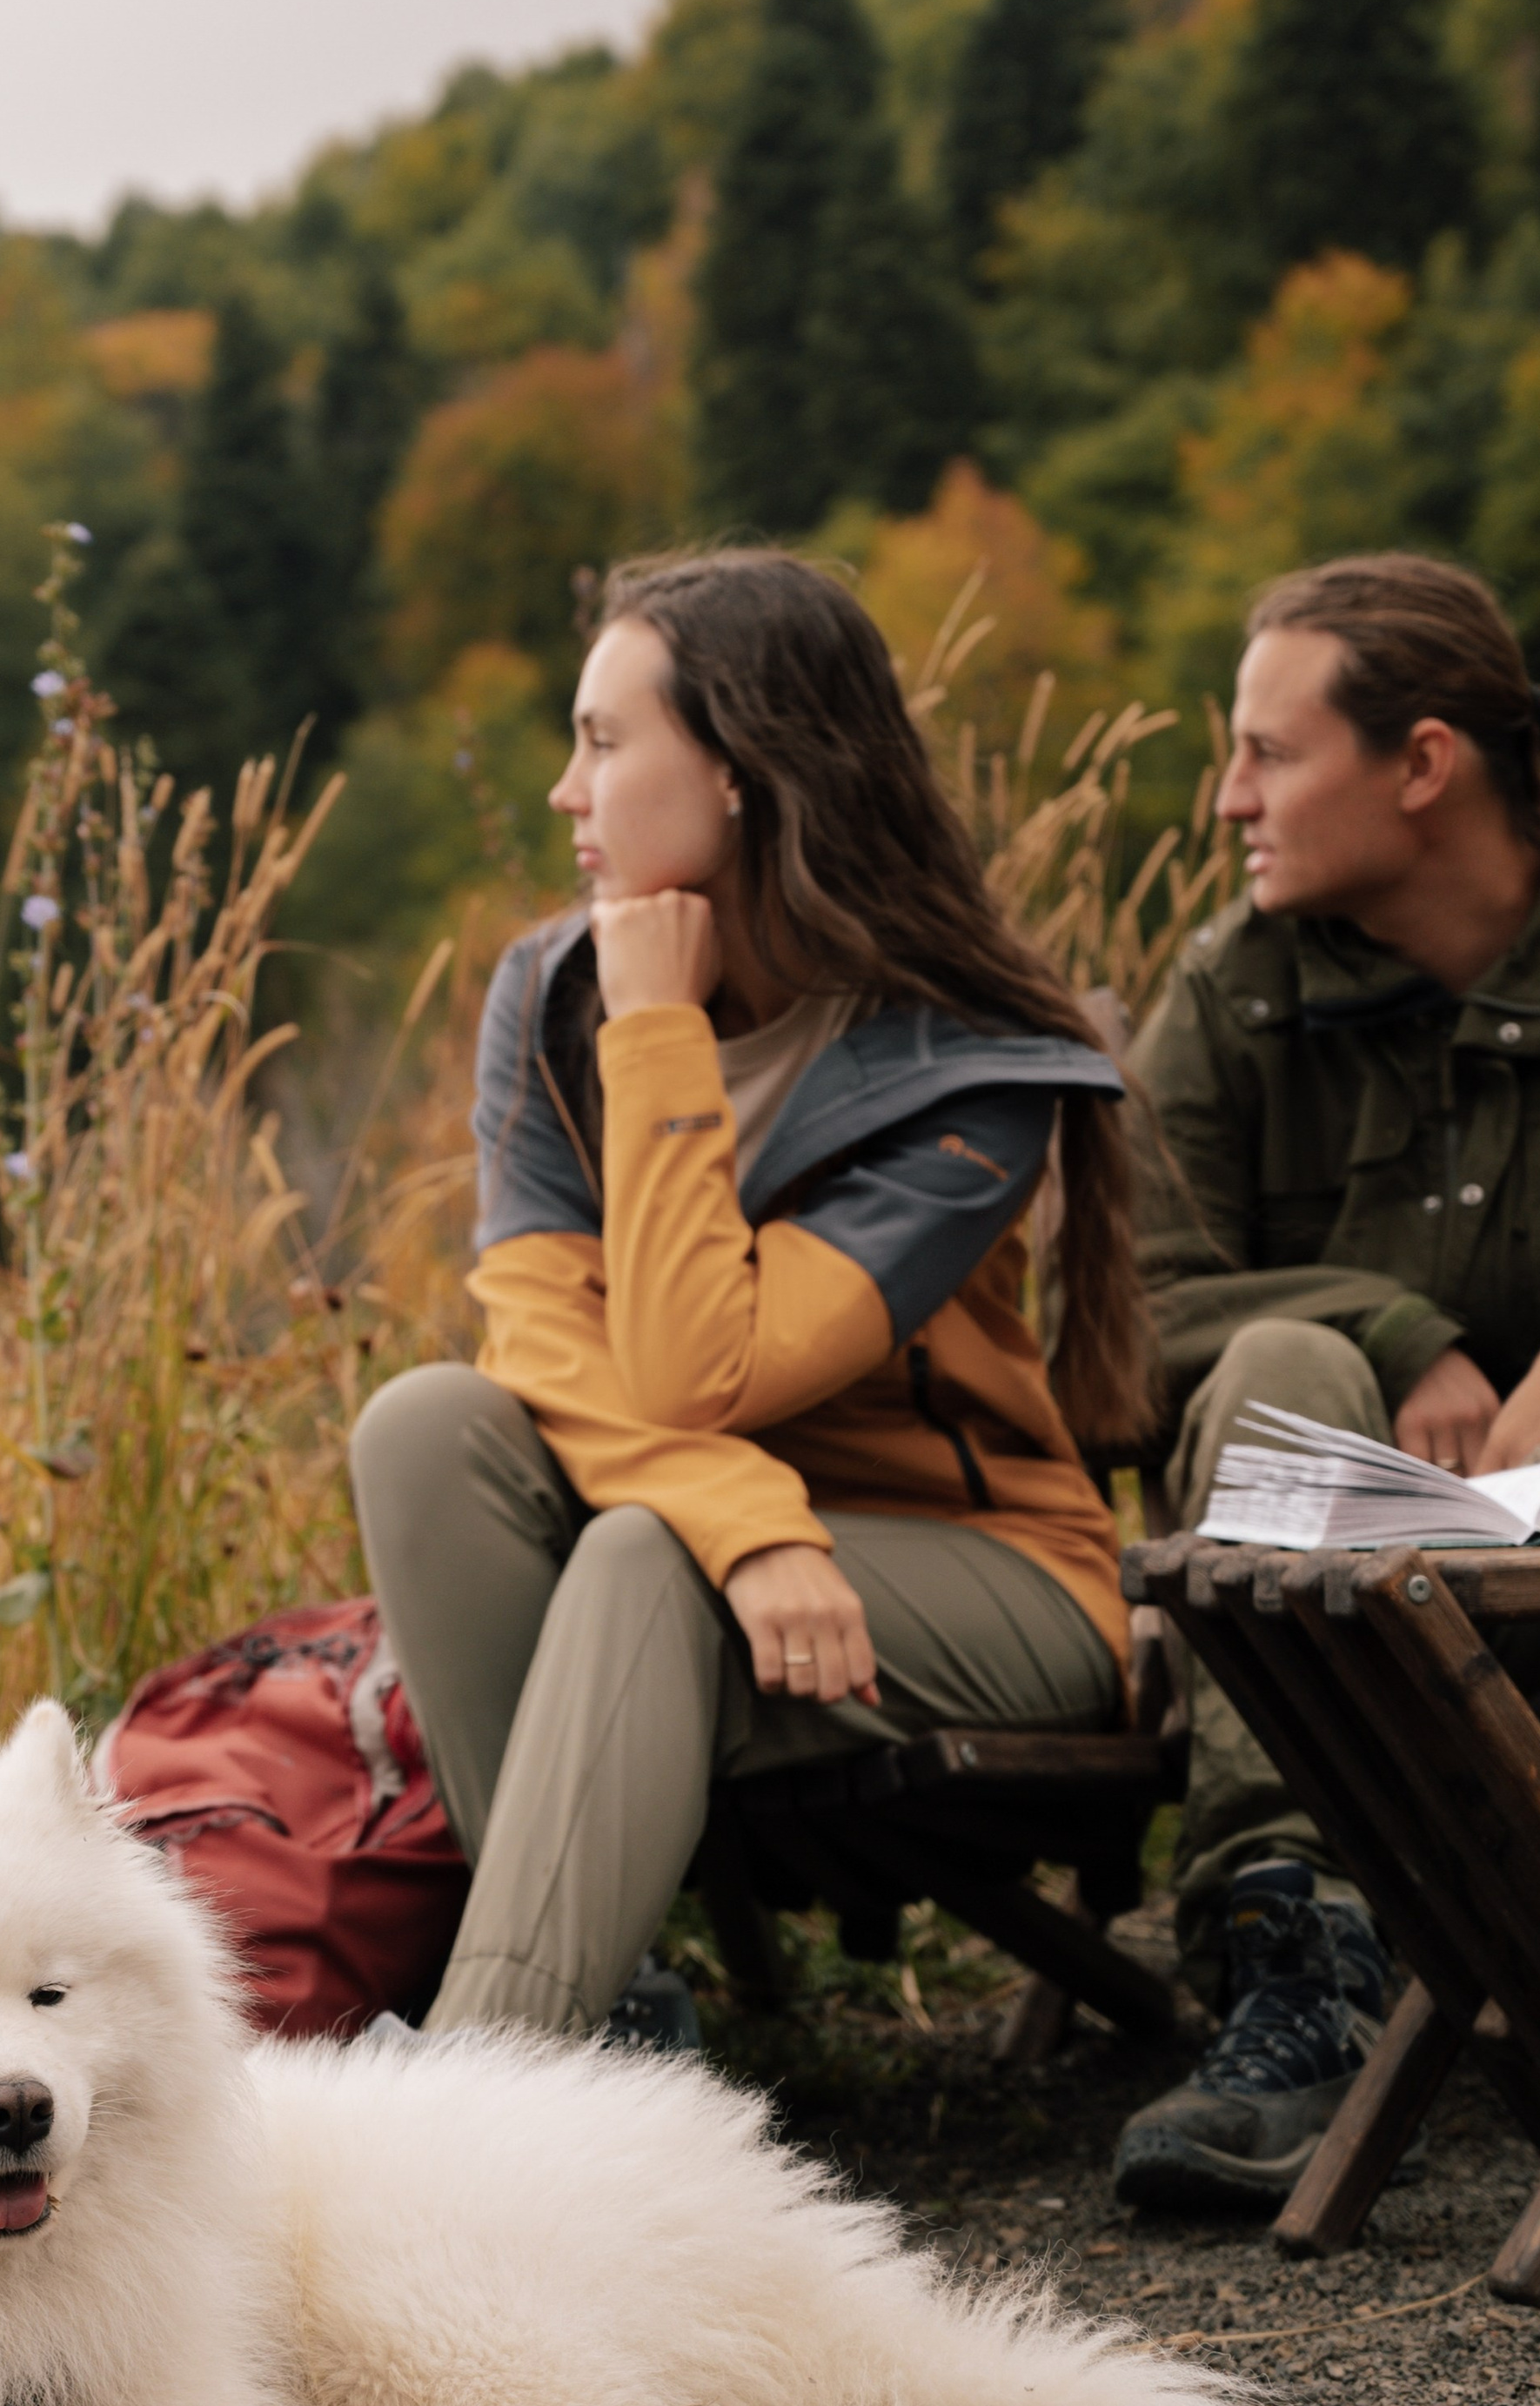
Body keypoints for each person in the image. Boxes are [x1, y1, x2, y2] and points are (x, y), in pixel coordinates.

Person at [348, 547, 1152, 2044]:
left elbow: (689, 1373)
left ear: (738, 771)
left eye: (601, 742)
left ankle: (487, 2077)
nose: (563, 796)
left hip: (984, 1577)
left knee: (648, 1550)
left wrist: (657, 1030)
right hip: (745, 1562)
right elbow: (535, 1334)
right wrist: (749, 1524)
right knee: (427, 1427)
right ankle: (598, 2001)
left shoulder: (962, 1068)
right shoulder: (549, 991)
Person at [1113, 551, 1540, 2211]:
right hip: (1348, 1665)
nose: (1224, 798)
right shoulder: (1235, 991)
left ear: (1422, 767)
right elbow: (1122, 1321)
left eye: (1269, 753)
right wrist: (1388, 1332)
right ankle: (1303, 1954)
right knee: (1281, 1355)